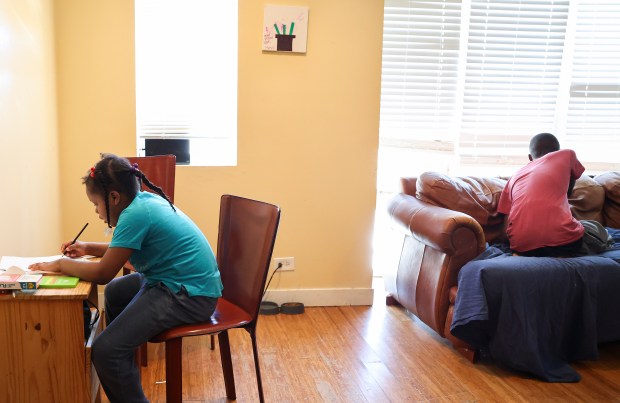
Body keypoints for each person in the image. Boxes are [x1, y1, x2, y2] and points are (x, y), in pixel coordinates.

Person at [30, 153, 223, 403]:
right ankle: (124, 362)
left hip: (190, 295)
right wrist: (88, 248)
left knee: (105, 351)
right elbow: (119, 250)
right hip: (177, 282)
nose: (98, 212)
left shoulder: (135, 215)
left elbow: (103, 273)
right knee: (116, 291)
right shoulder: (142, 202)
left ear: (113, 197)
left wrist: (61, 264)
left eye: (96, 205)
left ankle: (117, 359)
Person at [498, 133, 612, 257]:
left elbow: (505, 232)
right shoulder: (567, 155)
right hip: (564, 243)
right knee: (594, 228)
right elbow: (568, 193)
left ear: (530, 157)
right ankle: (562, 251)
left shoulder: (513, 179)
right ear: (557, 151)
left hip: (521, 247)